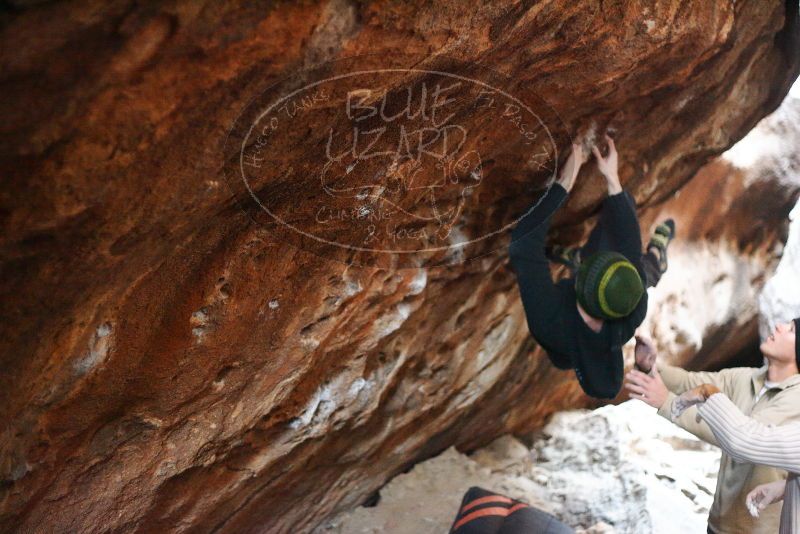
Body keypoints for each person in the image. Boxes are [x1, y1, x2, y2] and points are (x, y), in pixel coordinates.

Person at [508, 132, 675, 399]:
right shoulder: (632, 308)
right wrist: (611, 177)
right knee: (632, 231)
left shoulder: (550, 323)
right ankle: (656, 255)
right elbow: (627, 241)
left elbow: (524, 244)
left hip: (564, 342)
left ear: (578, 282)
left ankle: (588, 257)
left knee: (638, 267)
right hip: (624, 289)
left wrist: (563, 183)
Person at [624, 318, 800, 534]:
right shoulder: (745, 378)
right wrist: (650, 365)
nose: (778, 327)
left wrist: (668, 402)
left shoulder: (797, 398)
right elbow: (689, 383)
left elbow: (742, 438)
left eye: (791, 330)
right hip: (719, 525)